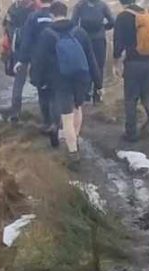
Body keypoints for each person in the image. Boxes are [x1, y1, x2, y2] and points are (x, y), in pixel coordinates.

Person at [32, 0, 101, 161]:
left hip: (60, 78)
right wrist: (98, 82)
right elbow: (91, 58)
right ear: (66, 12)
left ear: (52, 14)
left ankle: (72, 153)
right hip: (81, 77)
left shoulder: (47, 34)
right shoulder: (80, 31)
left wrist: (37, 80)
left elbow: (40, 60)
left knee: (66, 116)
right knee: (78, 107)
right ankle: (75, 138)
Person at [113, 0, 149, 142]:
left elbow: (118, 43)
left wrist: (116, 62)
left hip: (133, 62)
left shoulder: (123, 17)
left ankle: (131, 133)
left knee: (131, 98)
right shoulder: (147, 13)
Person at [2, 0, 49, 121]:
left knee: (19, 81)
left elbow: (7, 29)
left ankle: (15, 111)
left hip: (19, 47)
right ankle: (47, 116)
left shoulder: (13, 8)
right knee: (42, 81)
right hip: (37, 49)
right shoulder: (37, 9)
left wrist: (7, 48)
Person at [70, 0, 114, 102]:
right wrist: (103, 28)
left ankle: (86, 93)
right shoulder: (103, 5)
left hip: (83, 39)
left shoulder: (80, 5)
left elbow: (73, 22)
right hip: (99, 39)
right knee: (99, 66)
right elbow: (112, 22)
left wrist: (78, 33)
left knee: (85, 65)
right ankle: (97, 95)